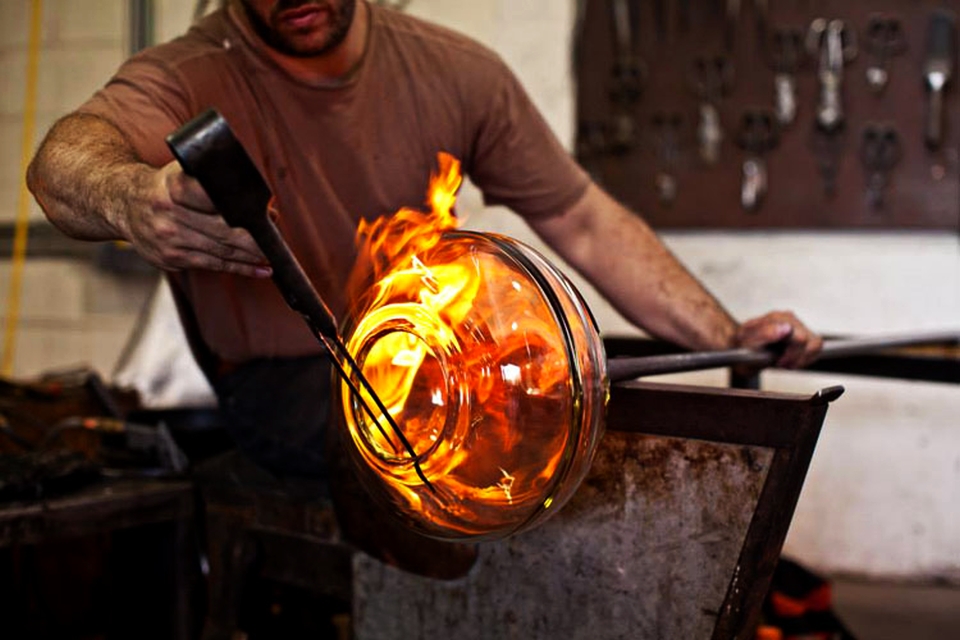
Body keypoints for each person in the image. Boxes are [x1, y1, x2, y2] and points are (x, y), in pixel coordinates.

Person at [27, 0, 821, 505]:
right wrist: (126, 198)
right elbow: (60, 163)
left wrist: (725, 335)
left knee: (606, 397)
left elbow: (580, 218)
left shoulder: (453, 69)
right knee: (472, 452)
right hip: (285, 385)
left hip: (446, 357)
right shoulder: (190, 74)